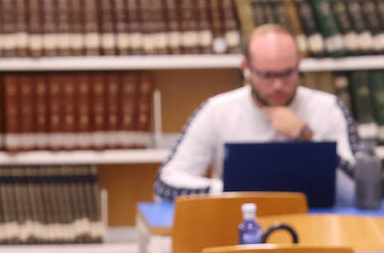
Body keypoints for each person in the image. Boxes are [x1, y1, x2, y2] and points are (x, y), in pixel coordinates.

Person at [153, 23, 360, 203]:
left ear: (299, 64)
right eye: (267, 75)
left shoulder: (328, 108)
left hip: (318, 229)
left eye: (287, 73)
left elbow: (359, 190)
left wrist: (307, 136)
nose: (278, 85)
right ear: (247, 67)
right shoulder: (217, 110)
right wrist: (231, 190)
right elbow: (165, 184)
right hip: (237, 226)